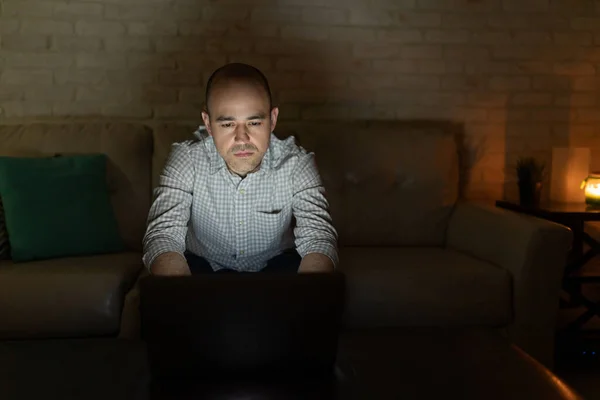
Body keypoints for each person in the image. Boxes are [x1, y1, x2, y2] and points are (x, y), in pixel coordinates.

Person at [142, 63, 338, 275]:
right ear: (208, 124)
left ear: (272, 120)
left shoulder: (297, 163)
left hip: (274, 269)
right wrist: (189, 300)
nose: (241, 138)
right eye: (227, 124)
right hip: (204, 269)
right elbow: (163, 235)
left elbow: (318, 237)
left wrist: (304, 299)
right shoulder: (187, 159)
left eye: (253, 123)